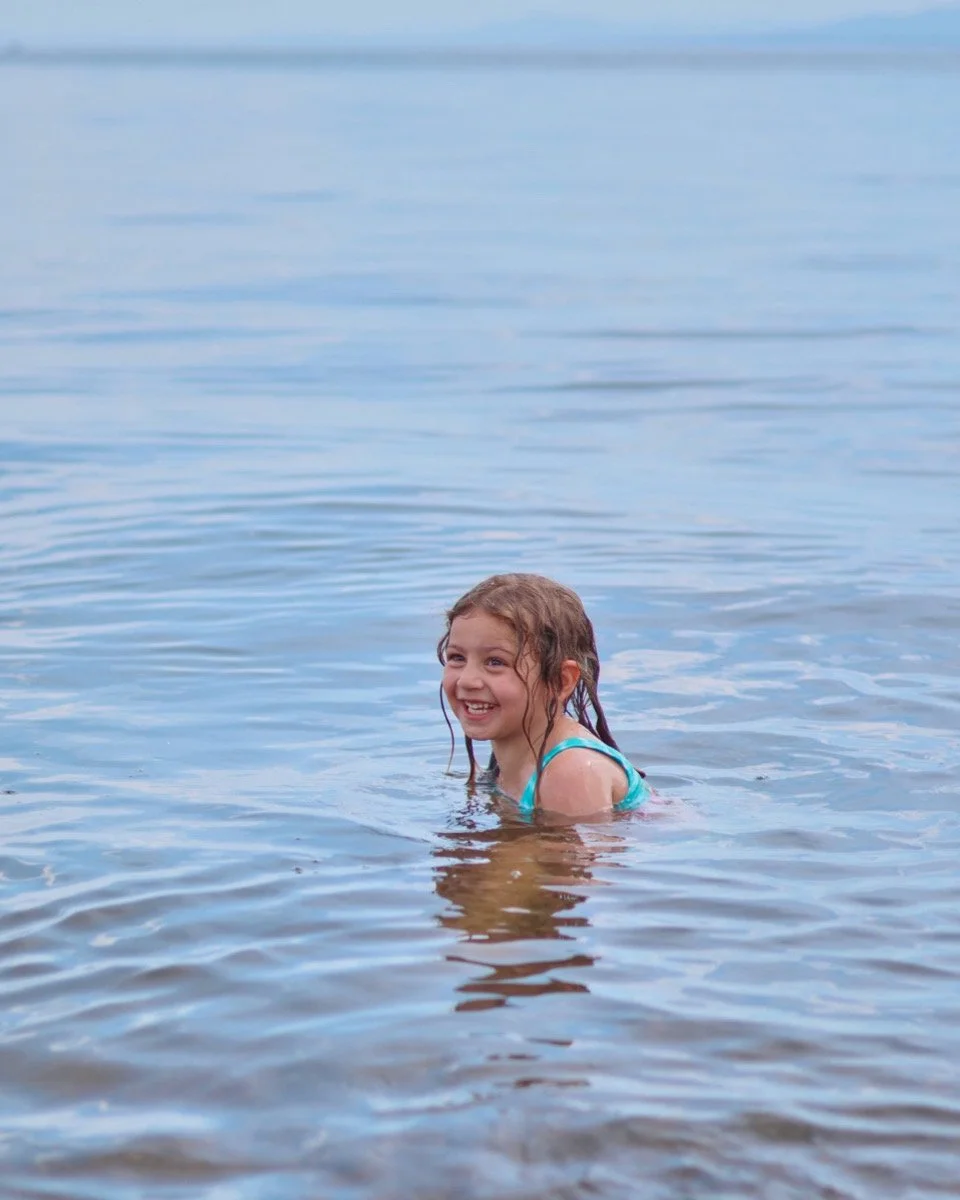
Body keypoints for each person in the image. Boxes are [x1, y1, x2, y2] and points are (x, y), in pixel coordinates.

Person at [438, 573, 650, 819]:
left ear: (561, 681)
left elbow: (578, 858)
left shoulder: (571, 771)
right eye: (457, 658)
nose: (467, 680)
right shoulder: (513, 750)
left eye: (495, 662)